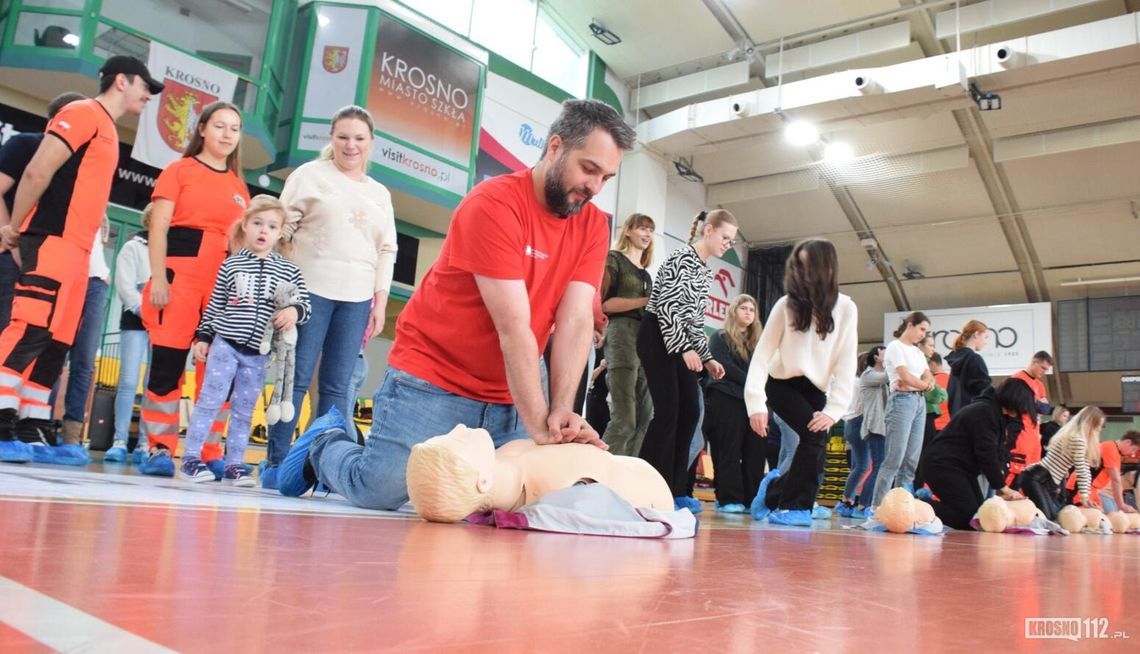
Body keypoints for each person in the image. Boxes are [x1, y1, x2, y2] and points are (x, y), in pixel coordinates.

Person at [275, 99, 637, 509]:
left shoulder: (592, 225)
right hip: (436, 375)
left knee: (515, 500)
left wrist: (560, 412)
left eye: (606, 177)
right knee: (379, 490)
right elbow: (513, 327)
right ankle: (325, 444)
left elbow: (573, 321)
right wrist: (541, 425)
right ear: (554, 147)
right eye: (588, 169)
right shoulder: (495, 203)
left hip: (513, 389)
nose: (594, 187)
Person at [0, 56, 159, 464]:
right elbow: (37, 172)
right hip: (51, 237)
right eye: (144, 86)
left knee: (55, 342)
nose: (148, 95)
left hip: (78, 249)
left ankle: (31, 427)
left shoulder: (106, 126)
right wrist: (14, 228)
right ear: (121, 80)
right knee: (29, 326)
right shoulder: (82, 112)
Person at [262, 105, 398, 488]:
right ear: (331, 138)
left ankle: (323, 470)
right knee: (296, 378)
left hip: (356, 299)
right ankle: (276, 463)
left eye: (359, 138)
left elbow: (387, 249)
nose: (350, 145)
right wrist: (283, 291)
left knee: (339, 387)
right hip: (309, 293)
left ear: (371, 143)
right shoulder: (308, 176)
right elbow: (280, 230)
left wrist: (380, 302)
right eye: (343, 136)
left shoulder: (379, 194)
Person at [138, 100, 250, 477]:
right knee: (167, 365)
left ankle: (207, 450)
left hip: (222, 290)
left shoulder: (239, 188)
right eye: (220, 126)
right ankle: (158, 447)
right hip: (179, 280)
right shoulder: (179, 170)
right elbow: (159, 227)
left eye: (234, 128)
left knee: (218, 374)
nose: (227, 134)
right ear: (202, 128)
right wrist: (157, 277)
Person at [178, 196, 310, 486]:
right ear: (245, 226)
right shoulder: (232, 264)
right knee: (210, 400)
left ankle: (235, 463)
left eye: (272, 226)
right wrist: (204, 336)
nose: (264, 231)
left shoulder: (289, 270)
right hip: (225, 344)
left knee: (244, 408)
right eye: (258, 223)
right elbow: (215, 305)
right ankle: (190, 457)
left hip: (258, 354)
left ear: (279, 233)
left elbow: (305, 305)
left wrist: (292, 310)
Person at [745, 239, 858, 527]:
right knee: (813, 436)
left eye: (809, 264)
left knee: (817, 442)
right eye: (799, 264)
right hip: (781, 382)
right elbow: (761, 356)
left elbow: (847, 361)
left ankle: (772, 494)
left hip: (816, 388)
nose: (803, 271)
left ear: (826, 267)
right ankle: (793, 507)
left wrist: (835, 410)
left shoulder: (846, 307)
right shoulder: (785, 305)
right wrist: (755, 404)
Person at [637, 209, 734, 508]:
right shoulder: (683, 259)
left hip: (679, 339)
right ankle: (646, 485)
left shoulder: (705, 270)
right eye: (724, 237)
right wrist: (684, 349)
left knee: (691, 411)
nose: (728, 244)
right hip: (658, 335)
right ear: (709, 231)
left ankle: (676, 488)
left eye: (731, 241)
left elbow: (693, 320)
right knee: (668, 412)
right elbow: (666, 307)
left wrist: (706, 357)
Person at [406, 424, 674, 523]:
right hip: (651, 489)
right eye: (457, 440)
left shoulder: (504, 458)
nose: (459, 427)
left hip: (635, 470)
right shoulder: (549, 489)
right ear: (482, 480)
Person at [0, 92, 87, 331]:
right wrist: (13, 239)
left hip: (45, 260)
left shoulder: (75, 160)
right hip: (11, 257)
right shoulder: (27, 144)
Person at [918, 378, 1035, 530]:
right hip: (941, 465)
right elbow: (987, 454)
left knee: (979, 516)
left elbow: (996, 453)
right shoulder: (985, 412)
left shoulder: (996, 414)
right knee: (967, 518)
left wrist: (1001, 487)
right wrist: (1003, 487)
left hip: (958, 468)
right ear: (1013, 401)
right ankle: (918, 506)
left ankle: (923, 505)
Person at [44, 216, 112, 461]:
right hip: (66, 273)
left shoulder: (99, 203)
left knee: (83, 361)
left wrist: (103, 275)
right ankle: (43, 427)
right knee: (54, 355)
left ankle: (72, 434)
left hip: (95, 282)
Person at [599, 212, 654, 457]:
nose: (647, 234)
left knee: (645, 416)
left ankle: (627, 475)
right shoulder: (615, 259)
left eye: (650, 230)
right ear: (628, 231)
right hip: (621, 333)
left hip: (645, 339)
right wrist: (646, 300)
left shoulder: (647, 274)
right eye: (642, 228)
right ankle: (598, 475)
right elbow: (605, 305)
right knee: (624, 419)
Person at [703, 294, 762, 513]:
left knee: (755, 450)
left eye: (752, 309)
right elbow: (724, 366)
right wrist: (753, 382)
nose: (748, 312)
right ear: (734, 311)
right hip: (726, 396)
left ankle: (751, 498)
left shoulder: (759, 342)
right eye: (744, 308)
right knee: (729, 448)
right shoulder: (720, 337)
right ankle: (728, 498)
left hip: (753, 401)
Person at [104, 205, 153, 462]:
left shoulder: (170, 251)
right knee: (128, 381)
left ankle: (146, 443)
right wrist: (142, 308)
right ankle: (119, 439)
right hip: (135, 319)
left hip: (163, 323)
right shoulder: (133, 247)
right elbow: (124, 284)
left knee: (153, 386)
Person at [870, 311, 934, 510]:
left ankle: (902, 509)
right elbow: (905, 376)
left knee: (911, 461)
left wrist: (920, 386)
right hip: (901, 402)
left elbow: (928, 376)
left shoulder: (917, 352)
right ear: (911, 325)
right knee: (893, 459)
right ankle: (876, 508)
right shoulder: (895, 346)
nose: (923, 334)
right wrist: (923, 385)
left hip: (918, 402)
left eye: (926, 331)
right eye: (922, 329)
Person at [1013, 406, 1102, 521]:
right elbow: (1083, 470)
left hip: (1039, 478)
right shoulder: (1078, 440)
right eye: (1098, 426)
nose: (1099, 429)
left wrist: (1085, 495)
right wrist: (1084, 497)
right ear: (1091, 423)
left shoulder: (1074, 436)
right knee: (1046, 519)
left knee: (1050, 518)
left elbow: (1081, 468)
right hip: (1036, 478)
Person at [1066, 430, 1140, 514]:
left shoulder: (1115, 451)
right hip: (1081, 488)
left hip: (1092, 490)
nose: (1133, 453)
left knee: (1101, 519)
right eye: (1134, 449)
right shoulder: (1110, 448)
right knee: (1086, 518)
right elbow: (1115, 480)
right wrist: (1121, 505)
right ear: (1127, 442)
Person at [1007, 351, 1053, 484]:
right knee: (1016, 472)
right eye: (1043, 368)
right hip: (1020, 431)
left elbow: (1045, 408)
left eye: (1046, 369)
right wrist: (1035, 404)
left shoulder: (1039, 385)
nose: (1044, 372)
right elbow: (1016, 404)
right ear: (1034, 362)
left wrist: (1032, 403)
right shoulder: (1017, 379)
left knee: (1031, 473)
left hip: (1034, 433)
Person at [913, 351, 948, 491]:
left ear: (932, 364)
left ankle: (919, 489)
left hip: (930, 424)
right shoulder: (951, 379)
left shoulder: (929, 380)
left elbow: (939, 396)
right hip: (944, 426)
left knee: (920, 458)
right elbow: (941, 397)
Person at [945, 319, 990, 415]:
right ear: (976, 334)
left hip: (956, 415)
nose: (986, 342)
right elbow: (984, 390)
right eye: (985, 337)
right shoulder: (974, 359)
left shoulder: (956, 360)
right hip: (973, 416)